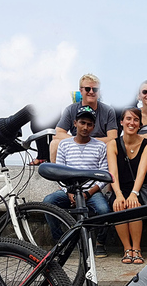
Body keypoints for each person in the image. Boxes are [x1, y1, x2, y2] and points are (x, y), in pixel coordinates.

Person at [43, 105, 112, 257]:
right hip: (70, 190)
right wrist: (69, 193)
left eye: (89, 124)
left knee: (104, 211)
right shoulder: (64, 144)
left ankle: (100, 243)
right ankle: (61, 240)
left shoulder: (100, 146)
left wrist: (88, 193)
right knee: (48, 202)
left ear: (93, 127)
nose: (85, 127)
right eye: (82, 123)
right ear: (75, 123)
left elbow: (104, 175)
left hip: (91, 191)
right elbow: (59, 173)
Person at [107, 108, 147, 264]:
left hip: (140, 187)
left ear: (140, 124)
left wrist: (134, 193)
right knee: (118, 204)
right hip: (119, 186)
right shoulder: (112, 144)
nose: (131, 123)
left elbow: (142, 172)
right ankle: (127, 249)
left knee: (134, 206)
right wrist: (119, 194)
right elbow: (113, 173)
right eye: (128, 119)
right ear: (121, 122)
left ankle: (137, 249)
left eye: (135, 120)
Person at [49, 73, 118, 162]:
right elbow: (58, 133)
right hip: (75, 146)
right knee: (55, 143)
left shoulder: (108, 111)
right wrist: (78, 140)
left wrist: (91, 141)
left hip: (99, 148)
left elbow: (113, 138)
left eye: (95, 89)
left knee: (112, 145)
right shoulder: (70, 109)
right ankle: (56, 174)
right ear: (81, 91)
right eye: (87, 89)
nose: (91, 92)